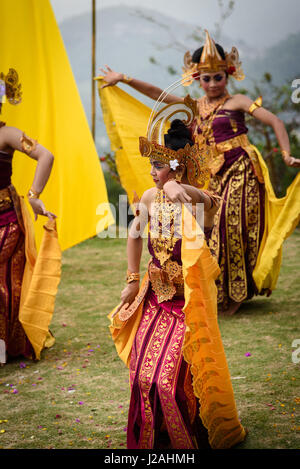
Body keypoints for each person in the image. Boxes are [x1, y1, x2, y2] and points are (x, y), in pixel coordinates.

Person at [100, 30, 300, 315]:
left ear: (228, 75)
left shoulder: (238, 102)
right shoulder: (194, 108)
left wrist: (286, 154)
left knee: (231, 228)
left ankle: (235, 295)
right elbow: (159, 95)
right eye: (206, 78)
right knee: (210, 231)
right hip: (212, 176)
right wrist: (124, 79)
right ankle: (216, 291)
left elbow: (276, 121)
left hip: (241, 169)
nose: (213, 83)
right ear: (198, 79)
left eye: (218, 77)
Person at [108, 97, 247, 449]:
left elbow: (202, 202)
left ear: (177, 165)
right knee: (142, 376)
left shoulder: (202, 200)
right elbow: (135, 235)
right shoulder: (151, 199)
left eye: (158, 166)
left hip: (187, 305)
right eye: (151, 166)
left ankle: (185, 437)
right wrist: (131, 279)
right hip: (154, 298)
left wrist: (178, 188)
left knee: (169, 379)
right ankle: (152, 439)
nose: (152, 173)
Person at [0, 68, 57, 365]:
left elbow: (45, 156)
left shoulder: (7, 134)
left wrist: (33, 196)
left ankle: (4, 347)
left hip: (6, 223)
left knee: (5, 284)